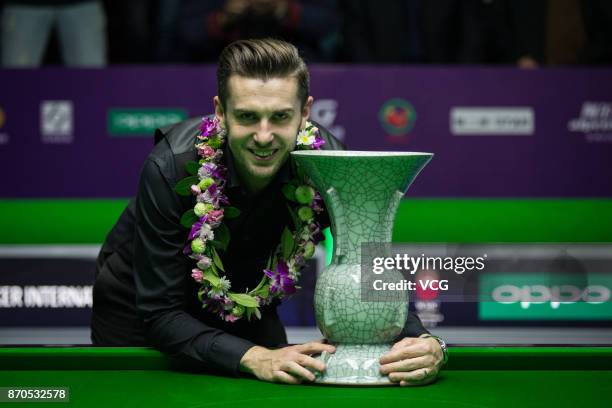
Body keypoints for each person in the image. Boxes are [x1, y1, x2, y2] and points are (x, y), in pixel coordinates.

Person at [91, 38, 445, 386]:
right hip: (141, 311)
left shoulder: (328, 163)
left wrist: (425, 340)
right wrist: (254, 357)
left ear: (305, 112)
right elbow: (161, 313)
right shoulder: (170, 166)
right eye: (247, 117)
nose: (264, 136)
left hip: (248, 307)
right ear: (220, 111)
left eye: (280, 117)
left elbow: (366, 260)